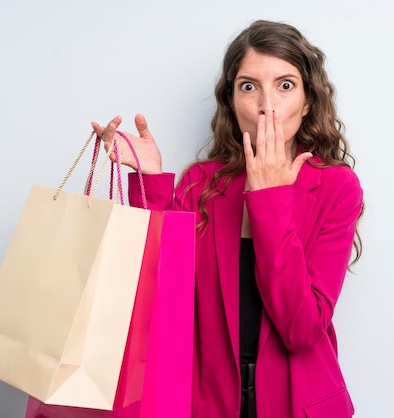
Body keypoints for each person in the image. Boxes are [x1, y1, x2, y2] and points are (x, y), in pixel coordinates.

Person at [92, 20, 363, 418]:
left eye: (285, 85)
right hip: (206, 401)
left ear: (307, 103)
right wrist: (151, 180)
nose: (266, 105)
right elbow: (160, 292)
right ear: (232, 102)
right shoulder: (202, 183)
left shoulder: (337, 186)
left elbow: (300, 329)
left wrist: (269, 197)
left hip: (298, 403)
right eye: (249, 86)